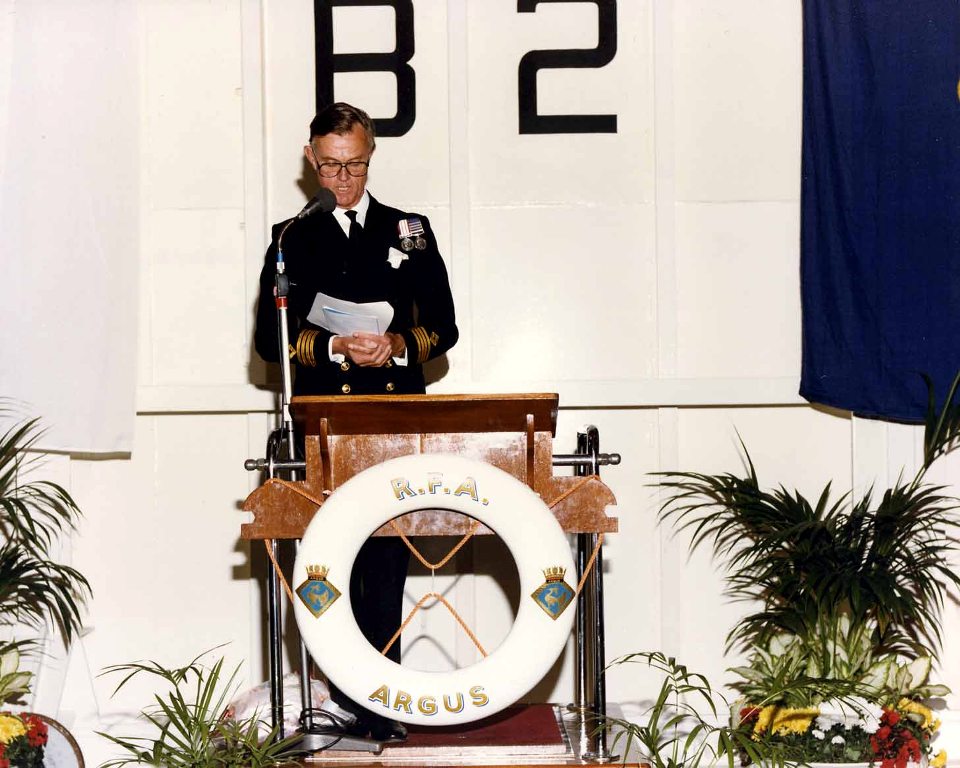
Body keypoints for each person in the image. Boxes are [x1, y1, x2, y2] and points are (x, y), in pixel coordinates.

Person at [254, 102, 458, 743]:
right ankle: (340, 698)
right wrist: (336, 347)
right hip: (326, 422)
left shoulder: (410, 231)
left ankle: (385, 703)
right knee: (329, 562)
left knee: (387, 561)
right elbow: (269, 339)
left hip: (393, 417)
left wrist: (396, 344)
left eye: (357, 165)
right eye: (333, 166)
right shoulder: (291, 238)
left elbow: (445, 327)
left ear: (372, 158)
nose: (344, 179)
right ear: (311, 159)